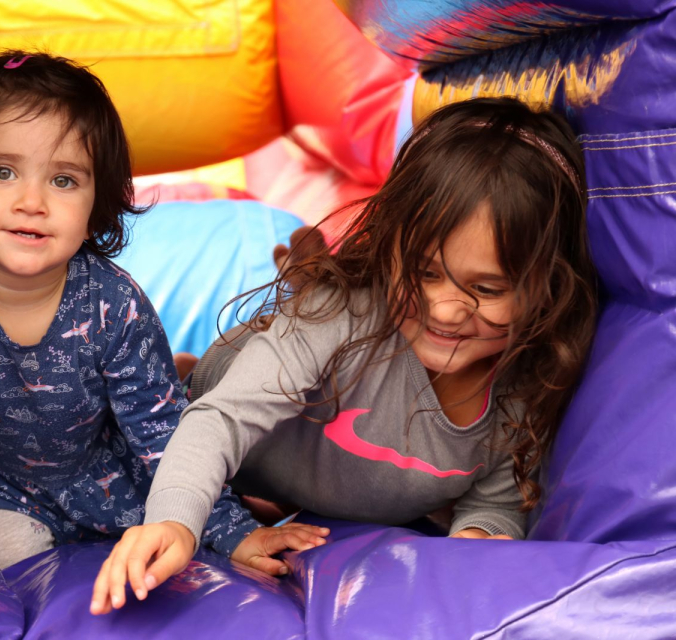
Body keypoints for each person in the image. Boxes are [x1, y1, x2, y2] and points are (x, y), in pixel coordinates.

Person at [90, 97, 598, 614]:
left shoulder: (526, 386)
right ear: (388, 246)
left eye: (487, 289)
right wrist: (174, 521)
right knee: (178, 413)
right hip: (218, 413)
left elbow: (495, 500)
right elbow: (223, 419)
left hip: (311, 477)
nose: (445, 310)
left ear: (547, 288)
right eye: (424, 273)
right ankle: (189, 370)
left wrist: (479, 537)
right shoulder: (342, 315)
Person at [0, 51, 327, 575]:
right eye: (2, 171)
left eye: (64, 181)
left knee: (183, 519)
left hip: (106, 479)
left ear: (93, 209)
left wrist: (229, 529)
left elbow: (160, 430)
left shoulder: (113, 301)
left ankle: (198, 402)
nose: (32, 200)